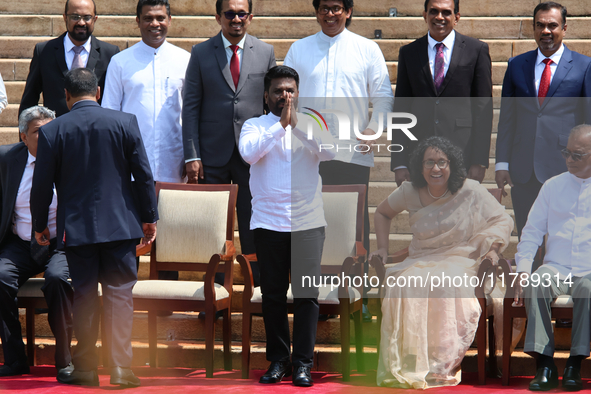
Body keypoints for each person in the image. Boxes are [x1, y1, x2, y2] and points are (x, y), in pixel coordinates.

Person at [30, 68, 158, 388]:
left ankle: (86, 369)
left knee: (84, 297)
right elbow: (143, 175)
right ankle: (120, 369)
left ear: (67, 95)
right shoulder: (124, 122)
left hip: (77, 228)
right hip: (121, 226)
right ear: (98, 92)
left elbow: (41, 186)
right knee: (119, 297)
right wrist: (149, 217)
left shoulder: (52, 131)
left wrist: (39, 225)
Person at [372, 137, 513, 388]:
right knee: (404, 282)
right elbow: (382, 212)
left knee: (446, 281)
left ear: (451, 164)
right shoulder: (409, 190)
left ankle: (441, 364)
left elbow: (502, 220)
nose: (435, 169)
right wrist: (383, 248)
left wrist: (492, 249)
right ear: (420, 165)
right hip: (421, 258)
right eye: (429, 162)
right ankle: (410, 361)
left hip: (461, 258)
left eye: (441, 162)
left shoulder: (469, 189)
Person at [284, 0, 394, 321]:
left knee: (354, 230)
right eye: (323, 7)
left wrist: (375, 127)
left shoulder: (367, 49)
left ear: (347, 10)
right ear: (316, 10)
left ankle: (357, 301)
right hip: (308, 156)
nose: (329, 14)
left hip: (352, 153)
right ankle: (314, 299)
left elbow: (383, 95)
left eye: (336, 7)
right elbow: (286, 93)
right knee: (309, 226)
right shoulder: (299, 49)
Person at [239, 66, 335, 387]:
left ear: (298, 94)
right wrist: (280, 128)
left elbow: (331, 151)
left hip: (308, 224)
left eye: (290, 90)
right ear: (266, 96)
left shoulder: (314, 122)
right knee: (274, 296)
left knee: (307, 296)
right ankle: (279, 360)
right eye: (278, 91)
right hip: (268, 224)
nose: (285, 96)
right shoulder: (254, 125)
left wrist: (298, 128)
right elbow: (250, 154)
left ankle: (303, 363)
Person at [182, 0, 276, 288]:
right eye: (230, 13)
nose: (236, 19)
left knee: (254, 223)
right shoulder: (200, 52)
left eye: (241, 13)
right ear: (218, 16)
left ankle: (256, 287)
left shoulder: (265, 51)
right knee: (214, 227)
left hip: (252, 155)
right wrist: (191, 155)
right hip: (211, 154)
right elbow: (191, 108)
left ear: (250, 16)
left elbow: (270, 104)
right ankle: (213, 290)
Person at [495, 1, 591, 238]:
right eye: (540, 25)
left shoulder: (584, 66)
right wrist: (502, 163)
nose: (546, 31)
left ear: (564, 28)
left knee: (562, 237)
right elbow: (507, 118)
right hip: (523, 167)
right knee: (528, 235)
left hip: (565, 167)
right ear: (534, 28)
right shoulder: (516, 65)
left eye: (552, 25)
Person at [512, 124, 591, 392]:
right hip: (555, 268)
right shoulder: (552, 186)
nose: (569, 159)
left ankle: (575, 364)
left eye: (577, 155)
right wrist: (523, 269)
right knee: (536, 281)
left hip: (590, 270)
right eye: (566, 152)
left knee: (588, 287)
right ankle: (544, 364)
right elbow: (531, 233)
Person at [0, 106, 73, 378]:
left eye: (52, 131)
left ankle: (65, 361)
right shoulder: (7, 159)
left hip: (58, 244)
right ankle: (15, 359)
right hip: (21, 244)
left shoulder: (69, 158)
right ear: (23, 137)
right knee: (0, 277)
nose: (47, 137)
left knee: (56, 279)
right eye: (39, 133)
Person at [391, 0, 493, 186]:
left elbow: (482, 110)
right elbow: (401, 109)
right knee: (421, 215)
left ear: (457, 17)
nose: (439, 17)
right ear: (425, 15)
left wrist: (479, 160)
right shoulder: (409, 52)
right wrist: (399, 163)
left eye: (446, 12)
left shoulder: (476, 50)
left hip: (462, 154)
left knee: (460, 215)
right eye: (433, 11)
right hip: (419, 157)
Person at [102, 0, 189, 184]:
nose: (155, 24)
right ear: (138, 21)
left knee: (171, 213)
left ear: (170, 20)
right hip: (130, 162)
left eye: (160, 18)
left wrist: (190, 156)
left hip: (174, 161)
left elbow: (192, 113)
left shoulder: (185, 60)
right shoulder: (120, 62)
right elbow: (109, 115)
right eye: (148, 18)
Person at [19, 0, 120, 117]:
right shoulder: (44, 51)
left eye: (87, 17)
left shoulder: (110, 53)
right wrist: (25, 133)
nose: (81, 23)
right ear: (65, 17)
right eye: (75, 17)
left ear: (95, 19)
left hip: (95, 131)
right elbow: (29, 99)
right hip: (56, 131)